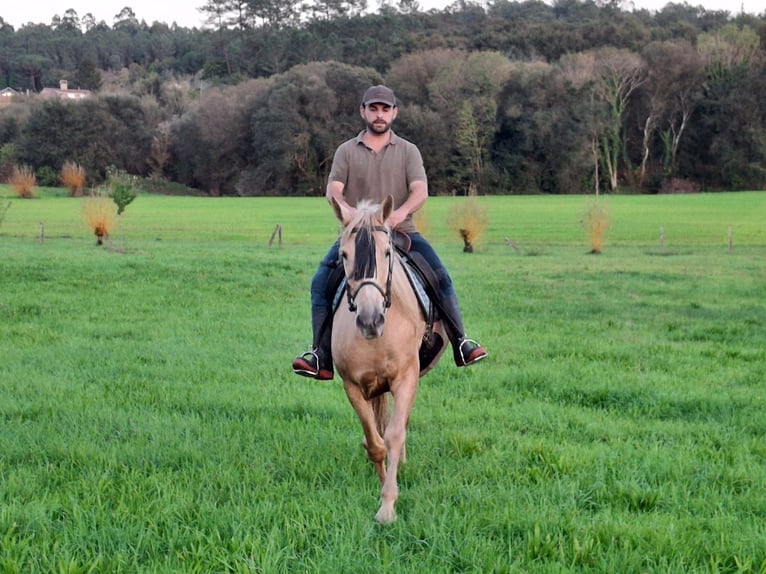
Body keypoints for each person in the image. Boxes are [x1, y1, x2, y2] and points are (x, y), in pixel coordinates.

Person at [292, 85, 487, 380]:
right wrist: (350, 215)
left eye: (385, 109)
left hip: (401, 230)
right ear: (363, 111)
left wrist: (399, 213)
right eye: (373, 109)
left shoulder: (408, 151)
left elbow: (420, 190)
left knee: (441, 277)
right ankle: (320, 354)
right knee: (321, 282)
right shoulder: (346, 151)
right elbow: (334, 190)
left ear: (394, 113)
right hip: (358, 235)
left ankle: (462, 342)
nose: (379, 115)